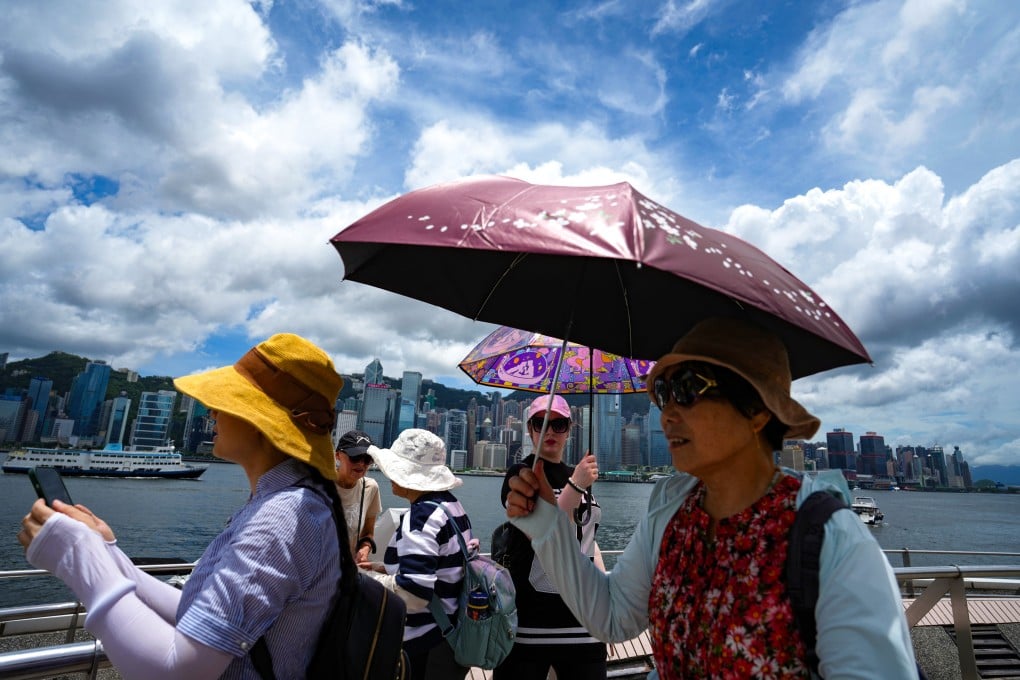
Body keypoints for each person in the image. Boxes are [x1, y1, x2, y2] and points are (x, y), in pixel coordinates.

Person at [505, 318, 919, 678]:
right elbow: (613, 617)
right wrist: (546, 524)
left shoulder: (829, 537)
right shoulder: (670, 510)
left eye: (688, 390)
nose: (667, 414)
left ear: (757, 410)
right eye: (664, 394)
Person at [18, 333, 346, 679]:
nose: (212, 411)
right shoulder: (284, 503)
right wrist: (109, 553)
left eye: (228, 402)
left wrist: (79, 556)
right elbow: (198, 615)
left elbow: (178, 671)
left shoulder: (283, 516)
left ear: (261, 422)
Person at [495, 394, 606, 680]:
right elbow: (543, 529)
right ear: (530, 429)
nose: (551, 431)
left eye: (559, 424)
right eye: (541, 423)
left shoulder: (580, 475)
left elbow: (589, 543)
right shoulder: (520, 474)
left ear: (570, 429)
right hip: (529, 627)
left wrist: (606, 601)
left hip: (584, 624)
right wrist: (576, 485)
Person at [360, 428, 472, 680]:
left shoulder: (420, 517)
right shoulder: (452, 506)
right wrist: (384, 568)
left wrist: (364, 581)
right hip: (451, 633)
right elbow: (443, 566)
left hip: (425, 644)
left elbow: (414, 592)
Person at [334, 429, 382, 563]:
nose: (361, 464)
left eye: (367, 459)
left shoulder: (370, 488)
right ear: (338, 455)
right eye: (355, 457)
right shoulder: (320, 485)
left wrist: (365, 548)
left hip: (348, 569)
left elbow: (368, 532)